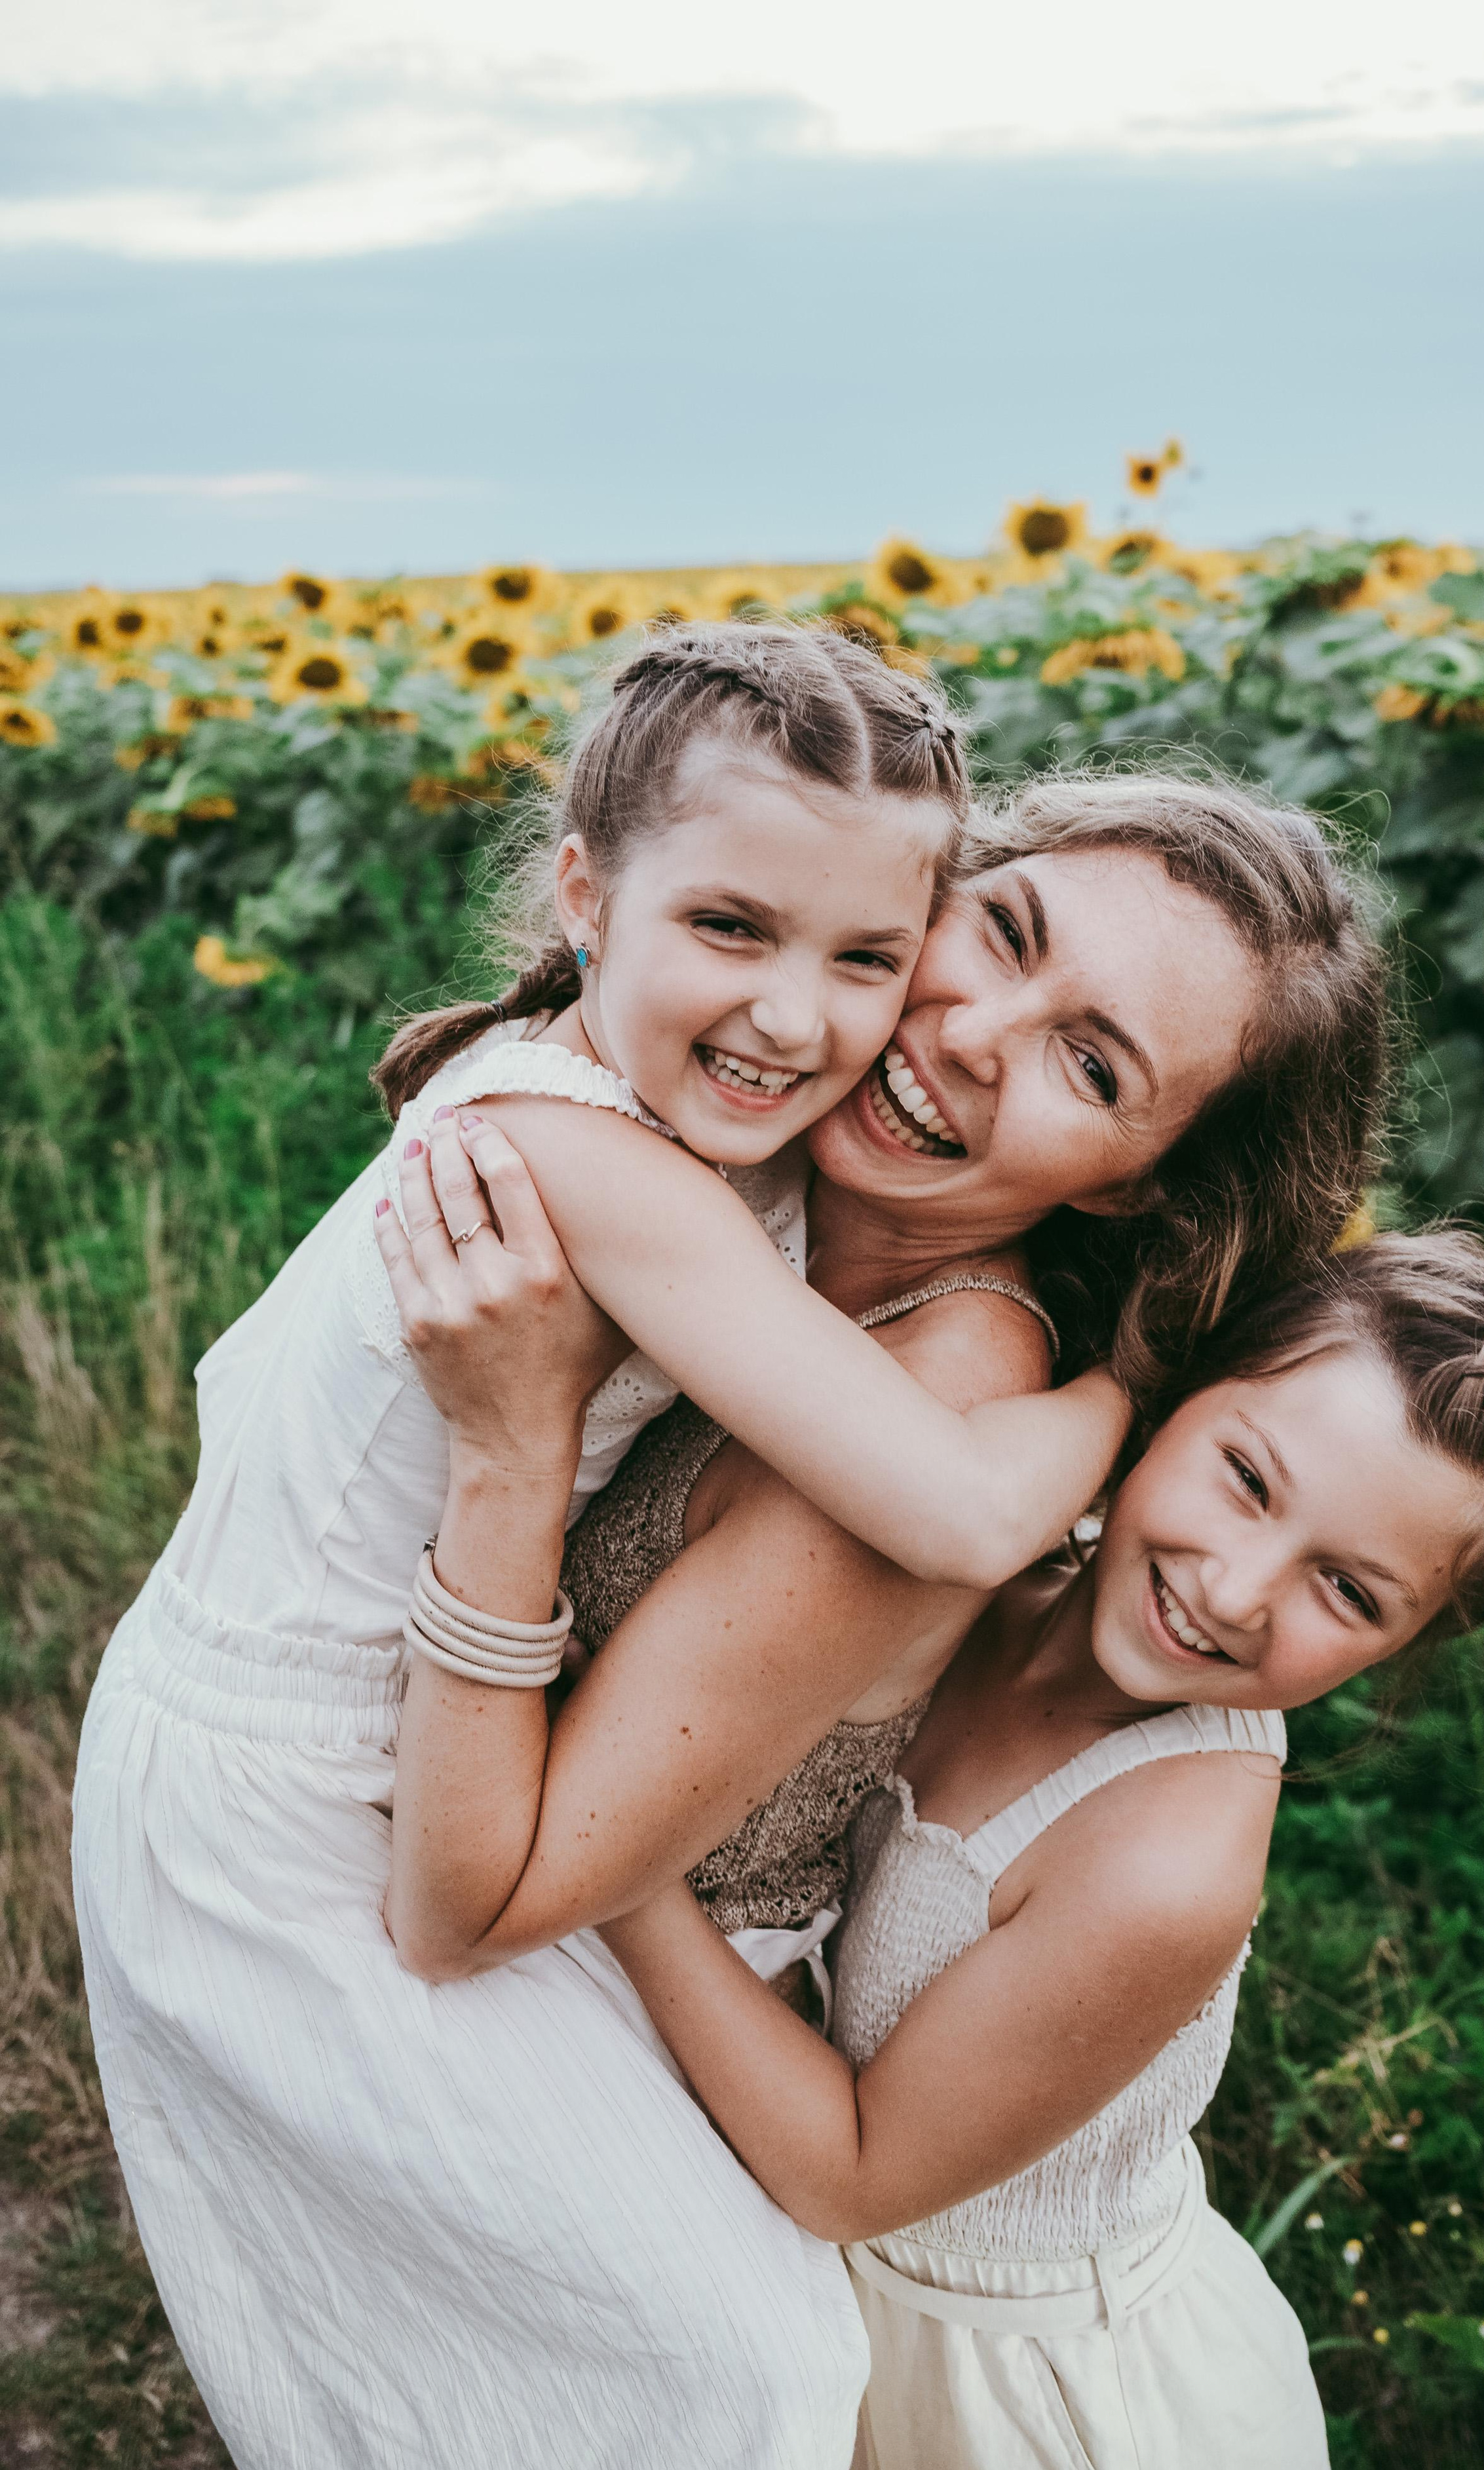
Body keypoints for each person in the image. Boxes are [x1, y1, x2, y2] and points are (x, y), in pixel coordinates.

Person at [74, 747, 1388, 2469]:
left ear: (1137, 1178)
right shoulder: (744, 1154)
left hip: (464, 1873)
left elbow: (475, 1906)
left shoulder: (942, 1384)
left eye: (1090, 1061)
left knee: (728, 2377)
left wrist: (512, 1443)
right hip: (296, 1780)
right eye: (997, 932)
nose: (975, 1032)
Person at [595, 1236, 1484, 2469]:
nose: (1234, 1591)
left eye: (1347, 1590)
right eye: (1246, 1477)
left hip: (1007, 2386)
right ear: (1180, 1397)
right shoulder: (1008, 1534)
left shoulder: (1167, 1865)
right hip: (803, 2265)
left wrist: (605, 1853)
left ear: (1409, 1644)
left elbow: (852, 2172)